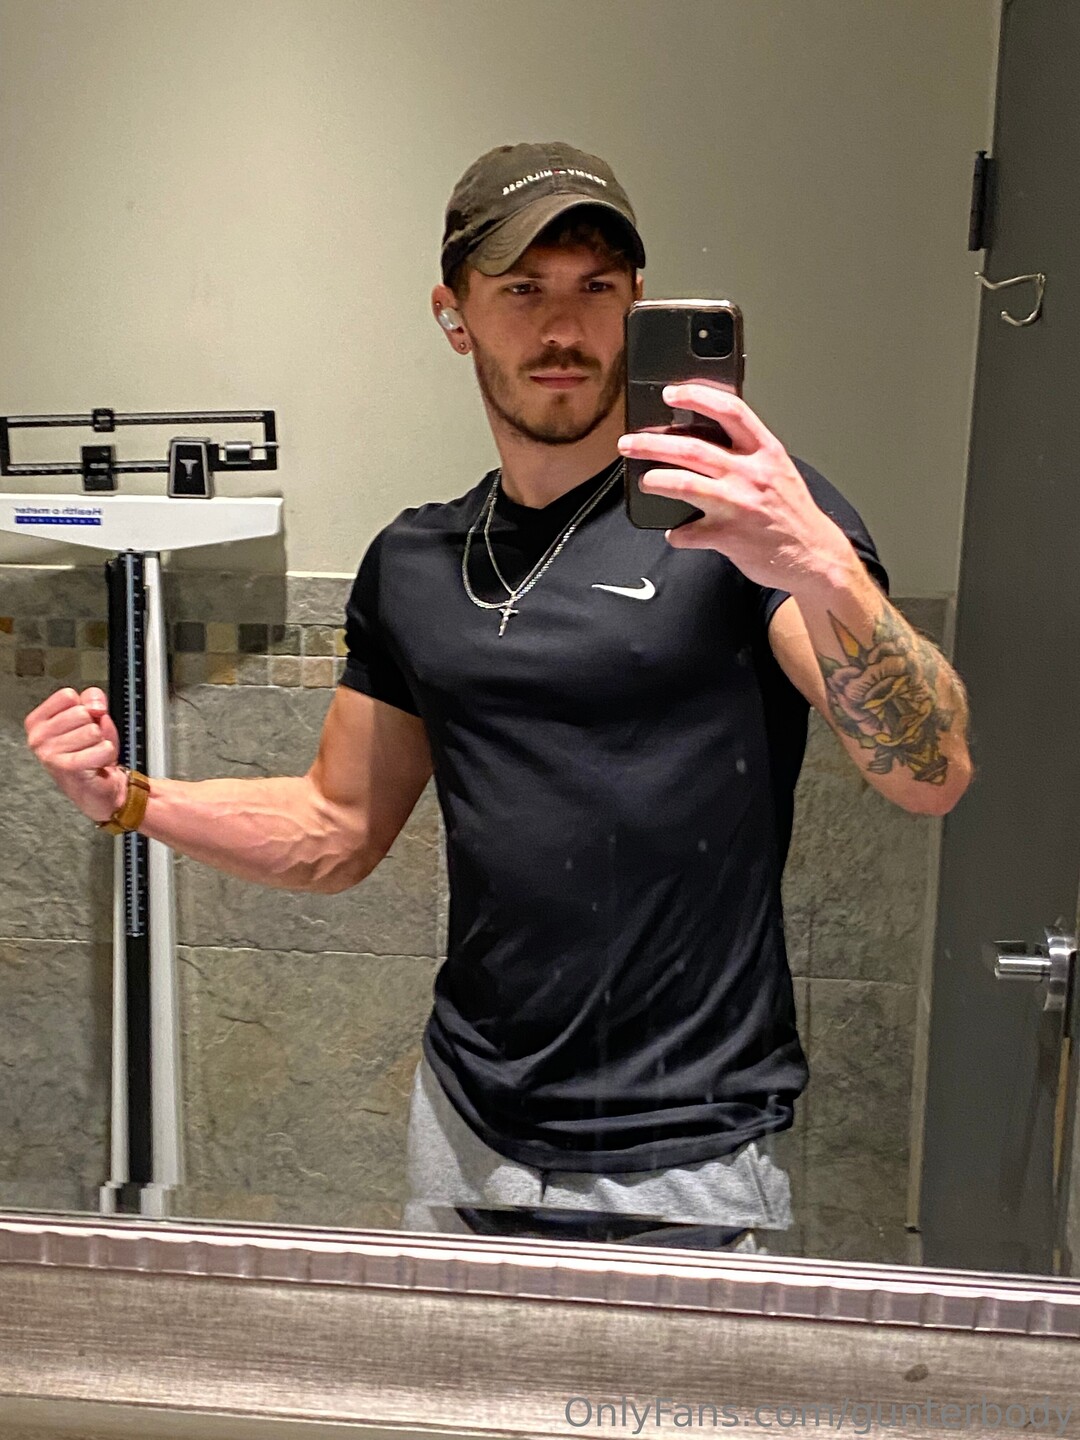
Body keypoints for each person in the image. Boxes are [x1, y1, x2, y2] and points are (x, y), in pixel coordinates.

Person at [25, 141, 972, 1252]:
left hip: (688, 1154)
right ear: (454, 314)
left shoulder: (742, 523)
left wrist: (816, 561)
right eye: (523, 289)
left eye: (596, 288)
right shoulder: (416, 563)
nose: (563, 328)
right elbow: (335, 828)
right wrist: (131, 799)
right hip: (464, 1126)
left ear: (636, 306)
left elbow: (931, 772)